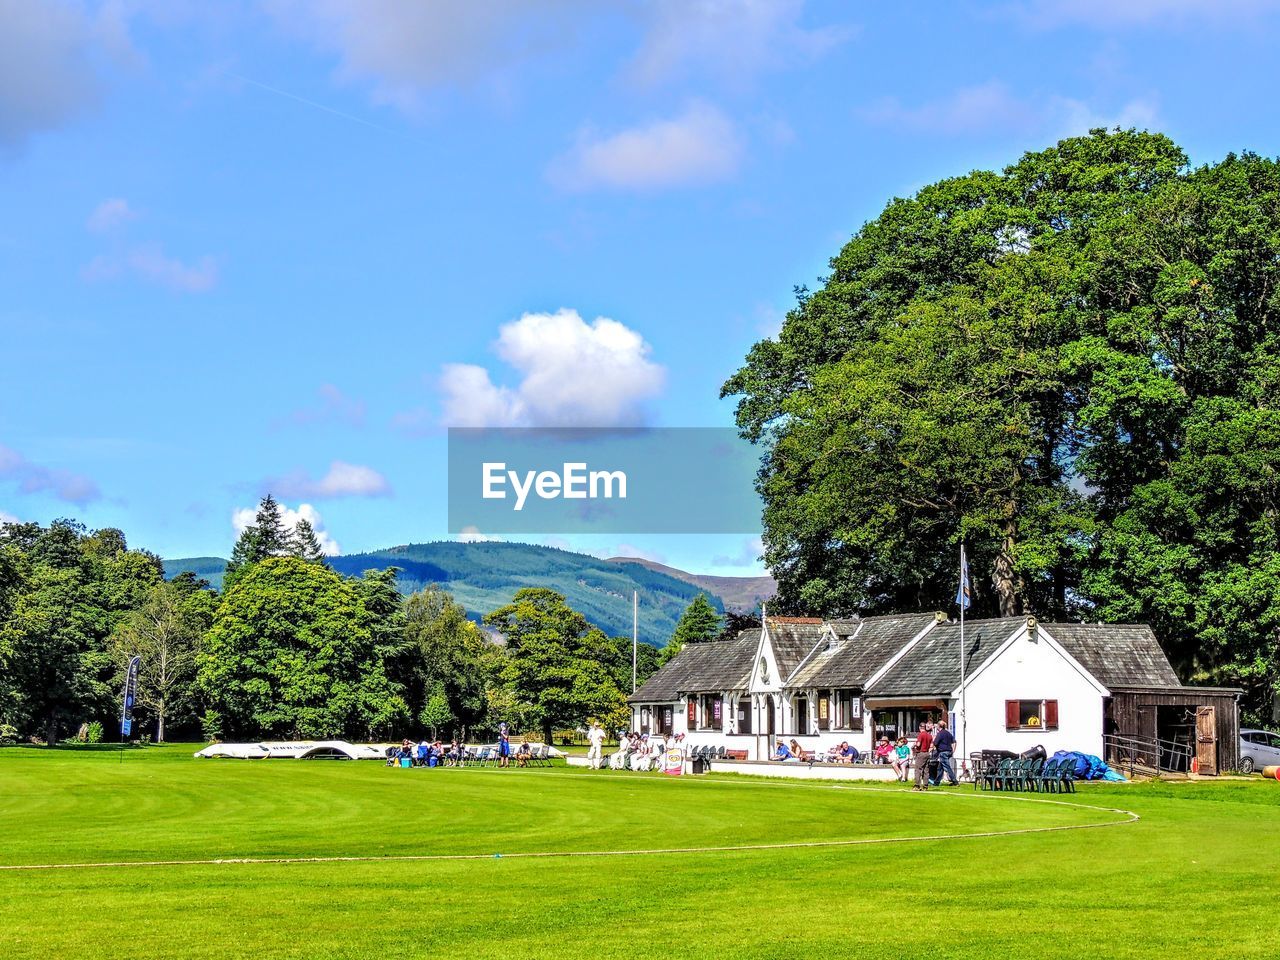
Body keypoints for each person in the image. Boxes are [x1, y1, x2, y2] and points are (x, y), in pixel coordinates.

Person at [931, 719, 959, 786]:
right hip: (949, 751)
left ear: (939, 726)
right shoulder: (948, 733)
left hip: (943, 752)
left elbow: (935, 743)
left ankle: (955, 781)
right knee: (940, 768)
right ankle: (936, 782)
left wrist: (933, 743)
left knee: (947, 767)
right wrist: (953, 750)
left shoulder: (940, 734)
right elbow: (954, 741)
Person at [912, 722, 933, 790]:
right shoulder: (929, 735)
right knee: (926, 770)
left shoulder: (921, 734)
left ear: (920, 727)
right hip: (927, 753)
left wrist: (914, 745)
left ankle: (917, 786)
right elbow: (931, 746)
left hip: (921, 753)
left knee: (918, 769)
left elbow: (918, 744)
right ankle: (925, 786)